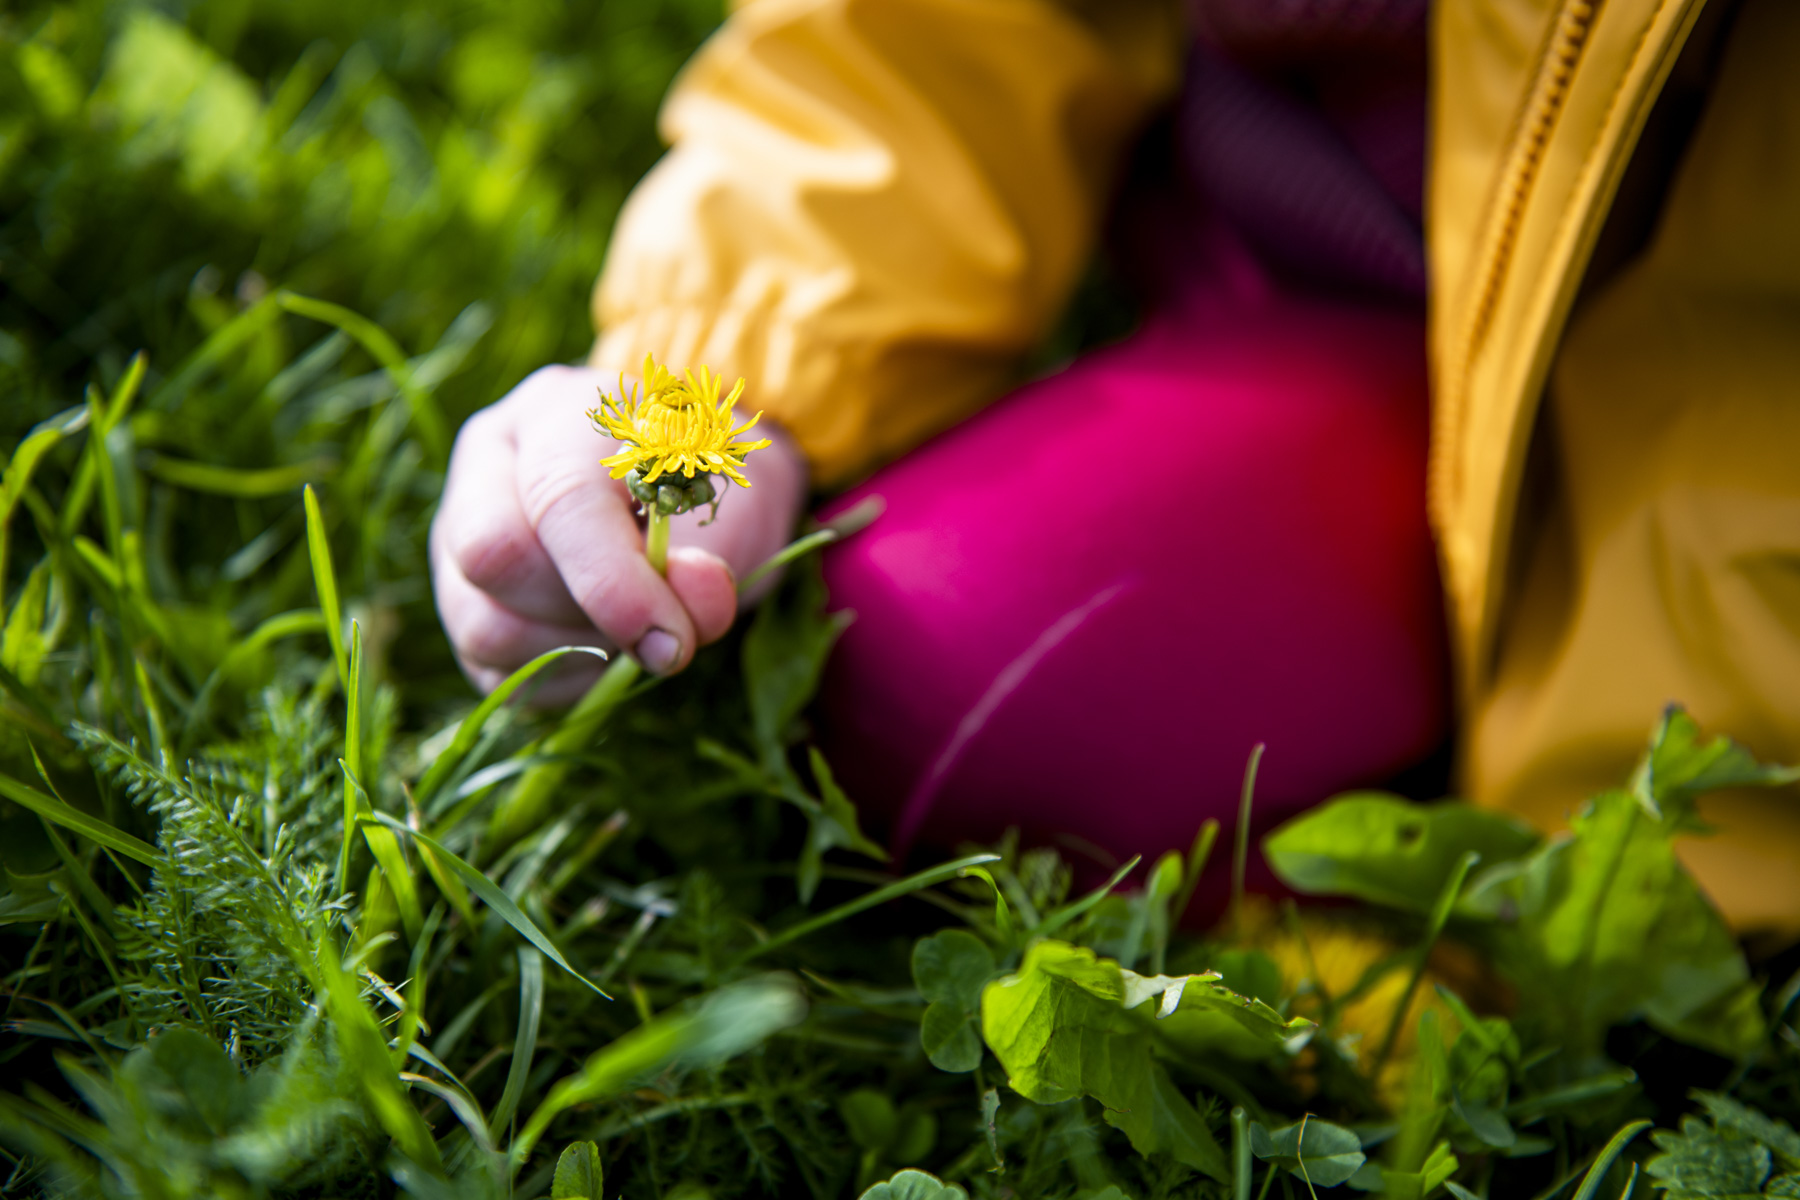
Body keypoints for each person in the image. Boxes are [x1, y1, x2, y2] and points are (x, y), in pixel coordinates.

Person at [431, 0, 1800, 933]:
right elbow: (914, 47)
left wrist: (1623, 890)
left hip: (1712, 434)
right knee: (925, 674)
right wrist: (720, 390)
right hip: (1311, 282)